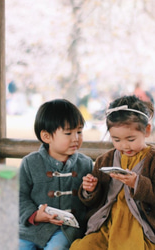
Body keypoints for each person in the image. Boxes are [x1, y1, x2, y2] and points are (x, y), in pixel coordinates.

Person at [70, 95, 155, 250]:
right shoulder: (106, 160)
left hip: (145, 226)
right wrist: (91, 190)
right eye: (116, 140)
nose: (124, 146)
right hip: (109, 223)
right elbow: (94, 202)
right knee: (83, 247)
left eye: (131, 139)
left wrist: (138, 184)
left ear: (147, 130)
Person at [19, 99, 94, 250]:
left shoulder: (85, 164)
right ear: (46, 137)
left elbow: (93, 203)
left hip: (67, 230)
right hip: (32, 227)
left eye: (79, 131)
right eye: (68, 133)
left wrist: (90, 191)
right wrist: (34, 215)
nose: (76, 138)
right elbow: (18, 195)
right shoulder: (30, 163)